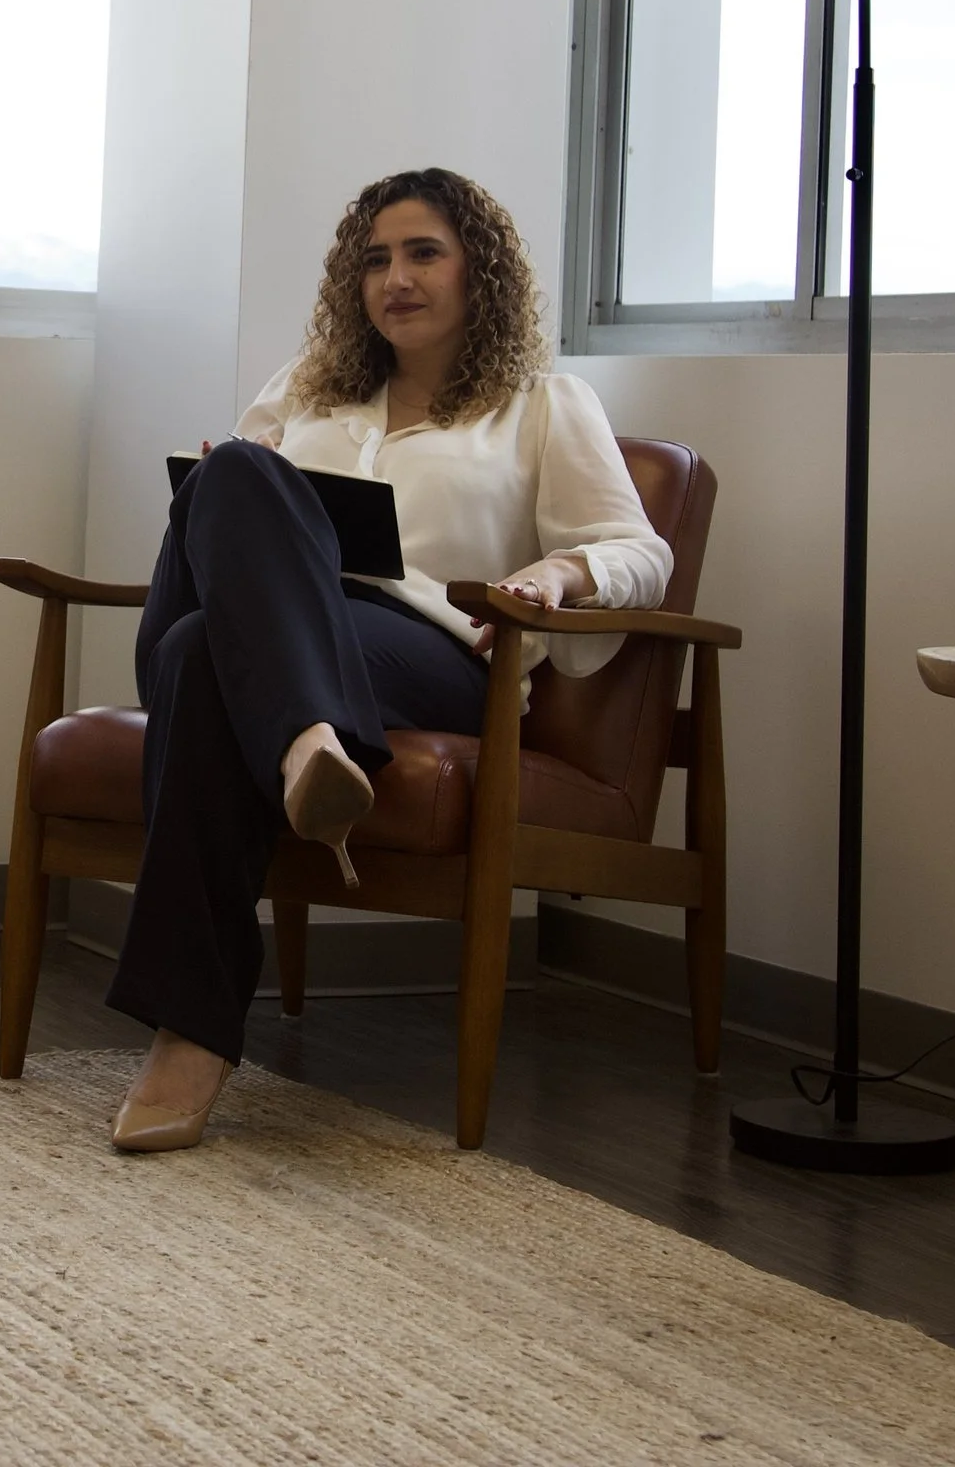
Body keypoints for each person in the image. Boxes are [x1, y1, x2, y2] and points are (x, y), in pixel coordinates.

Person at [106, 167, 671, 1152]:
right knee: (235, 475)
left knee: (206, 656)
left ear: (477, 271)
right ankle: (302, 742)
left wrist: (557, 571)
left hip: (423, 648)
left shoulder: (543, 403)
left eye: (422, 253)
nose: (393, 278)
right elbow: (231, 532)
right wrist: (241, 492)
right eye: (373, 259)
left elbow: (641, 551)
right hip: (276, 627)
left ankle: (187, 1034)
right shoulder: (305, 388)